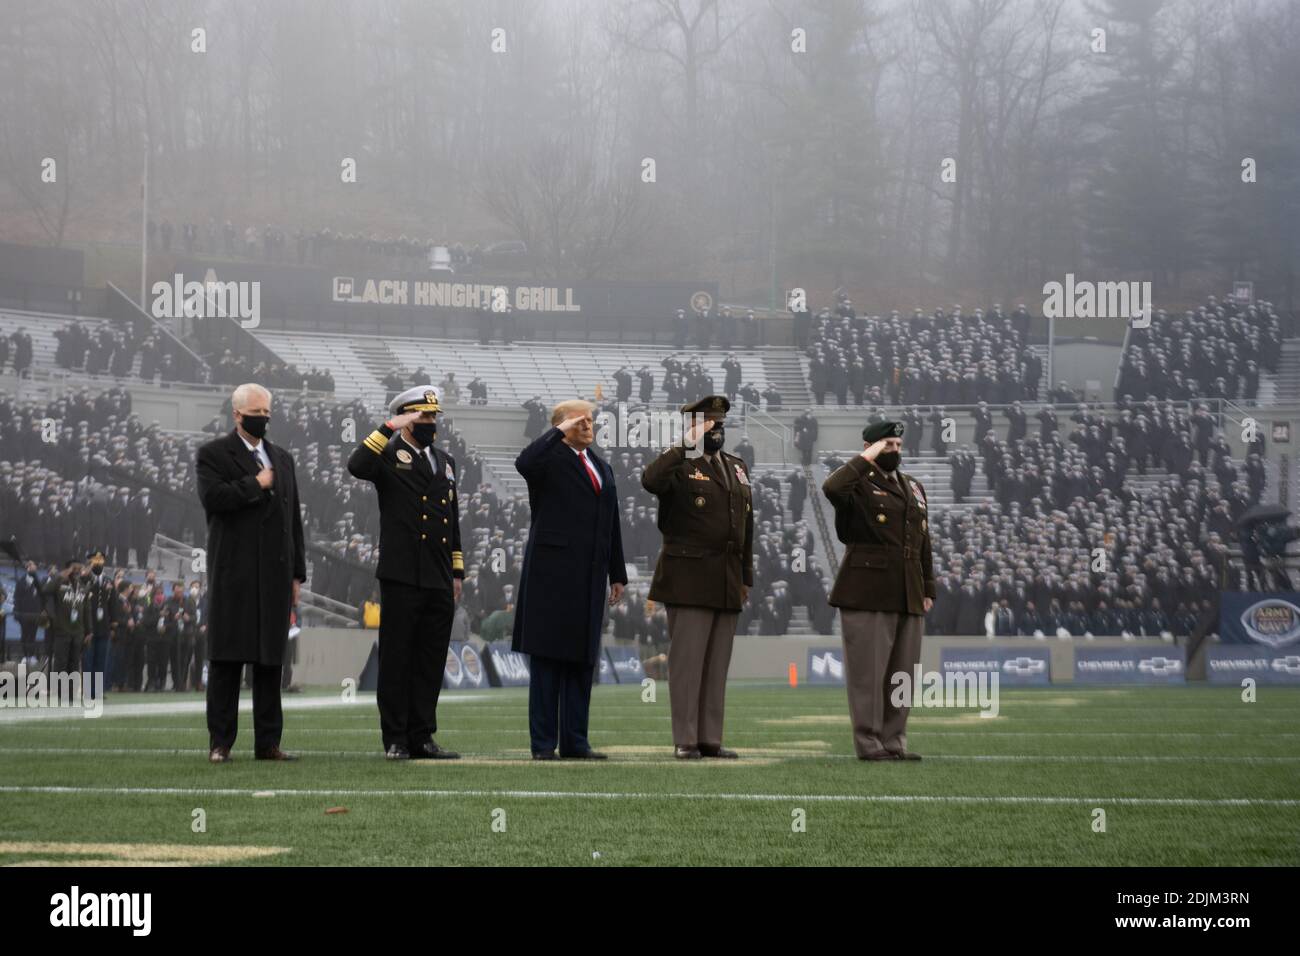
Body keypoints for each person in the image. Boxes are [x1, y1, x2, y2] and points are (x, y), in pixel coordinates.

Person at [347, 385, 463, 760]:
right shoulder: (388, 452)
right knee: (397, 658)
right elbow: (356, 465)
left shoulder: (446, 461)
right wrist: (388, 427)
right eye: (423, 416)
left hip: (438, 574)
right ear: (407, 418)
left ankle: (422, 735)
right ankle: (395, 737)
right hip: (401, 573)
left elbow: (452, 520)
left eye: (433, 416)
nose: (431, 422)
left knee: (430, 659)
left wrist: (457, 571)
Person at [195, 383, 306, 763]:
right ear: (237, 414)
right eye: (256, 412)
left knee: (269, 663)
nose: (264, 418)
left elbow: (294, 521)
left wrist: (296, 576)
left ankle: (268, 743)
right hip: (234, 575)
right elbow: (214, 499)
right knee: (226, 661)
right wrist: (254, 484)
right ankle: (220, 742)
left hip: (275, 578)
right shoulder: (212, 454)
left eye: (267, 412)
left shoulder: (284, 459)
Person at [512, 399, 627, 760]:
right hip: (551, 576)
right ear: (560, 426)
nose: (588, 426)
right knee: (547, 660)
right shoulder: (547, 461)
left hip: (589, 577)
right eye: (579, 421)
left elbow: (612, 524)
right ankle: (543, 744)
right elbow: (523, 462)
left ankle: (576, 741)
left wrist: (617, 573)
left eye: (591, 421)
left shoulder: (602, 466)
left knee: (581, 661)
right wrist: (558, 431)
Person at [642, 396, 752, 759]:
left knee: (716, 664)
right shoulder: (678, 464)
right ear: (692, 427)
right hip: (688, 578)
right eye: (709, 426)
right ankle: (686, 739)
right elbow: (650, 480)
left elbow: (745, 528)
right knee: (687, 663)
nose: (715, 432)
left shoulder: (737, 467)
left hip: (726, 579)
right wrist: (686, 445)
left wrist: (745, 577)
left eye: (720, 426)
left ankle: (710, 738)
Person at [822, 420, 934, 761]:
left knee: (902, 674)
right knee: (869, 674)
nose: (895, 451)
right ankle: (869, 743)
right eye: (888, 445)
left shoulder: (912, 487)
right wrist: (865, 458)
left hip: (907, 591)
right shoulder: (856, 481)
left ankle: (894, 740)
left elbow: (923, 540)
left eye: (898, 446)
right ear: (871, 446)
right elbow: (832, 488)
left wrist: (927, 587)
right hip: (867, 590)